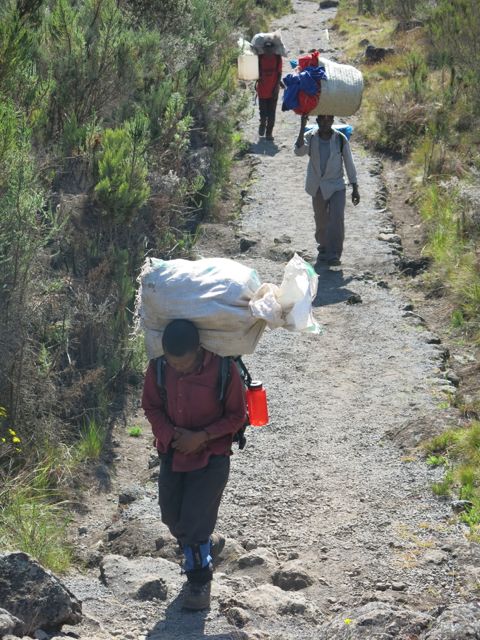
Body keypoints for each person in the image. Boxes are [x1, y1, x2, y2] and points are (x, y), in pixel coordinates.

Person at [141, 319, 246, 610]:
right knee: (171, 517)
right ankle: (206, 545)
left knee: (192, 524)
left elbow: (237, 415)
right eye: (173, 364)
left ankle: (199, 582)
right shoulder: (159, 367)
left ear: (198, 350)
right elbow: (151, 406)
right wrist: (171, 435)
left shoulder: (223, 369)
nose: (178, 369)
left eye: (184, 364)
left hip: (212, 456)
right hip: (173, 453)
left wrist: (202, 437)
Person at [294, 114, 360, 269]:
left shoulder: (340, 139)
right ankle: (323, 246)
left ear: (332, 121)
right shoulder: (310, 137)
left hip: (337, 185)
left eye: (328, 119)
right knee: (321, 219)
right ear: (316, 121)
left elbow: (349, 163)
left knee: (337, 219)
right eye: (321, 119)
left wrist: (355, 187)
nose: (325, 122)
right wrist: (302, 126)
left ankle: (334, 254)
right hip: (317, 185)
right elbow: (298, 151)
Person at [256, 41, 283, 140]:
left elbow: (279, 73)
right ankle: (262, 124)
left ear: (273, 49)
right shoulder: (260, 58)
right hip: (262, 90)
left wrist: (276, 87)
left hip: (273, 91)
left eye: (270, 48)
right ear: (263, 49)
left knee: (272, 113)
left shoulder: (277, 58)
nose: (268, 51)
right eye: (266, 48)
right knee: (263, 112)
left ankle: (269, 133)